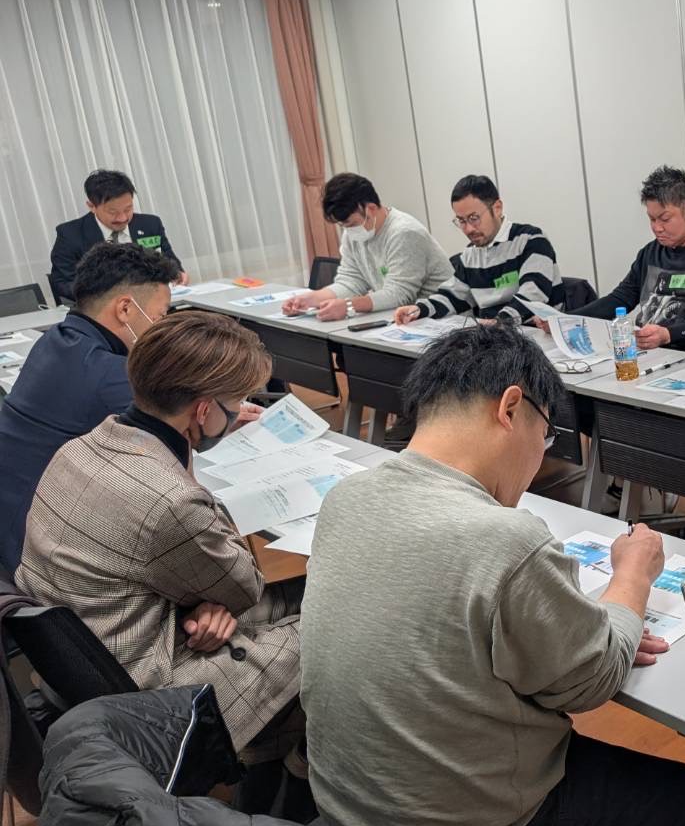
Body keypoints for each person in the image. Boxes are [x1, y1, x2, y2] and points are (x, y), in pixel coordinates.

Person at [301, 324, 685, 826]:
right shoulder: (504, 539)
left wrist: (578, 625)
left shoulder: (347, 497)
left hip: (349, 821)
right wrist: (632, 578)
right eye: (545, 435)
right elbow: (594, 682)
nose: (539, 455)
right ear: (510, 408)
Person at [16, 311, 304, 768]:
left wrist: (205, 602)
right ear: (203, 411)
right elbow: (245, 585)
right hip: (154, 693)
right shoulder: (170, 499)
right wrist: (212, 594)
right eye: (236, 401)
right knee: (328, 622)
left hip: (93, 655)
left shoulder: (78, 448)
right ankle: (296, 759)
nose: (239, 411)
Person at [0, 244, 183, 572]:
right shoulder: (109, 373)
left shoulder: (54, 340)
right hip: (42, 554)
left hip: (12, 521)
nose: (163, 327)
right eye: (160, 316)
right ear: (125, 309)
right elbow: (181, 434)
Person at [550, 165, 685, 353]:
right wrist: (564, 319)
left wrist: (667, 334)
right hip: (647, 351)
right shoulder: (650, 252)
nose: (657, 228)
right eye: (652, 219)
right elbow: (620, 298)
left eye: (665, 219)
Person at [393, 174, 563, 327]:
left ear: (497, 208)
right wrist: (419, 310)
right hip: (495, 335)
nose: (468, 229)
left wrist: (499, 322)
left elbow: (533, 295)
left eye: (474, 218)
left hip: (537, 335)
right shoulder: (470, 255)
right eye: (461, 221)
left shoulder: (531, 240)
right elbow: (453, 297)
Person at [282, 173, 452, 322]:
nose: (348, 230)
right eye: (343, 225)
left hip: (440, 317)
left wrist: (349, 306)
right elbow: (351, 281)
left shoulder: (404, 233)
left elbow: (400, 294)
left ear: (371, 208)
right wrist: (310, 299)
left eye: (351, 224)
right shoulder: (354, 234)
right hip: (404, 317)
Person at [49, 168, 186, 303]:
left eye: (128, 209)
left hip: (152, 304)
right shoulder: (70, 235)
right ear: (92, 206)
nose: (122, 218)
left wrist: (178, 275)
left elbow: (171, 263)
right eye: (112, 212)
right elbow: (63, 283)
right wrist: (105, 297)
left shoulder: (150, 225)